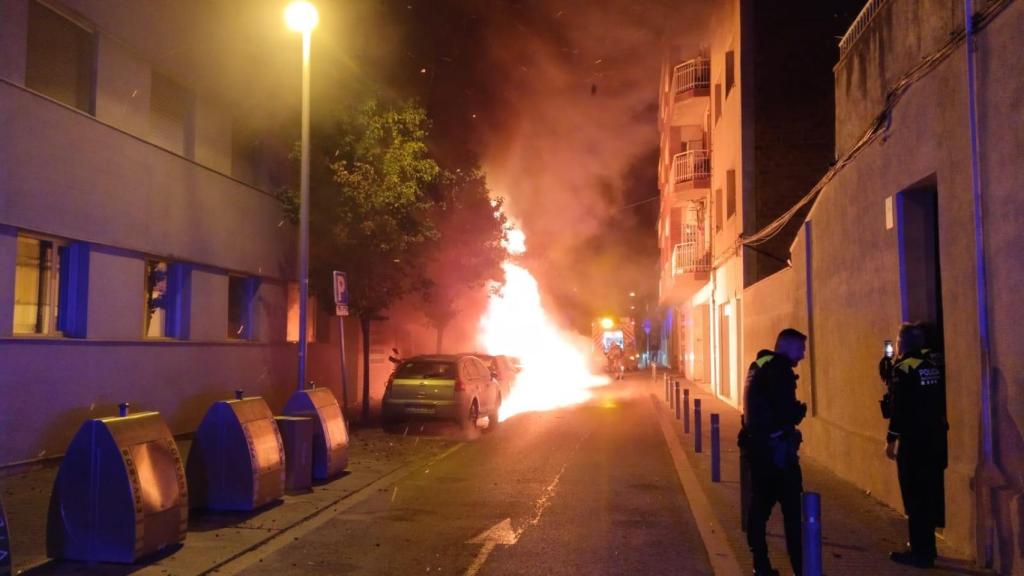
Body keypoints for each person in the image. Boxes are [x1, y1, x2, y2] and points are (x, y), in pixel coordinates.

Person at [741, 328, 808, 576]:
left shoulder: (758, 364)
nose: (801, 356)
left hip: (758, 449)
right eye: (800, 349)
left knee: (759, 509)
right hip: (777, 454)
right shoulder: (780, 371)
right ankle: (803, 570)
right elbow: (783, 412)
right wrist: (797, 412)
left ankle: (761, 565)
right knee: (793, 515)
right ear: (787, 347)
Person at [885, 322, 947, 568]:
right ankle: (927, 548)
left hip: (913, 442)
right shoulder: (932, 365)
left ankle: (919, 552)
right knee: (929, 495)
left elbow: (899, 408)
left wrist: (891, 439)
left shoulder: (903, 369)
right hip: (934, 439)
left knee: (914, 496)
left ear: (902, 344)